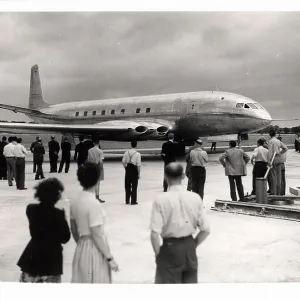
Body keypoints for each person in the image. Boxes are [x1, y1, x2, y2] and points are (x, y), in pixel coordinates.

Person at [150, 162, 210, 284]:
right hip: (189, 247)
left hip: (170, 247)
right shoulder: (195, 198)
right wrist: (193, 245)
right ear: (183, 176)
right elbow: (206, 230)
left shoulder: (160, 200)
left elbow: (154, 234)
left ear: (165, 176)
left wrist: (158, 256)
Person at [70, 162, 119, 283]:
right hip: (95, 249)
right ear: (97, 180)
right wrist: (109, 258)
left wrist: (82, 244)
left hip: (81, 247)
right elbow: (97, 234)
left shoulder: (75, 201)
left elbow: (74, 230)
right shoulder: (94, 203)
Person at [17, 178, 70, 283]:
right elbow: (65, 238)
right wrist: (62, 214)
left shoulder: (31, 209)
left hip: (33, 254)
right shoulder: (58, 214)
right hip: (51, 258)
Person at [267, 129, 288, 195]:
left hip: (273, 160)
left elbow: (270, 152)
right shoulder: (278, 141)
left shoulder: (270, 141)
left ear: (270, 135)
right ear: (275, 134)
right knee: (279, 178)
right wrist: (279, 153)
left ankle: (275, 193)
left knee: (273, 178)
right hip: (279, 159)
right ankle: (279, 193)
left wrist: (268, 161)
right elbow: (285, 148)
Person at [122, 141, 141, 205]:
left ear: (131, 145)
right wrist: (138, 173)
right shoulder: (137, 154)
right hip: (134, 169)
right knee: (134, 186)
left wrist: (126, 168)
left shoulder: (126, 152)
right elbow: (139, 165)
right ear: (136, 145)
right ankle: (133, 201)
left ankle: (127, 200)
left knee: (127, 186)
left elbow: (123, 162)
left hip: (128, 168)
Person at [87, 138, 105, 203]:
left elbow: (88, 160)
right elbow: (101, 161)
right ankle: (97, 197)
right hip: (97, 167)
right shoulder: (100, 151)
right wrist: (101, 168)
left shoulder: (89, 150)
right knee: (97, 183)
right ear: (98, 143)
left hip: (91, 167)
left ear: (93, 143)